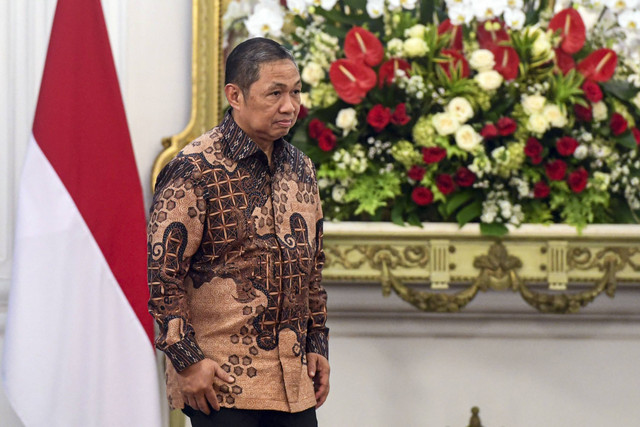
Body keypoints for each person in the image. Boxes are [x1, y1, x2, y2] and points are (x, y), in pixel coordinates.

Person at [147, 37, 329, 427]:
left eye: (295, 92)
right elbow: (163, 276)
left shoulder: (302, 169)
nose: (289, 106)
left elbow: (312, 266)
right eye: (275, 93)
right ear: (235, 95)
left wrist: (317, 343)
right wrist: (187, 362)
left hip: (294, 384)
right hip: (221, 384)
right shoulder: (194, 168)